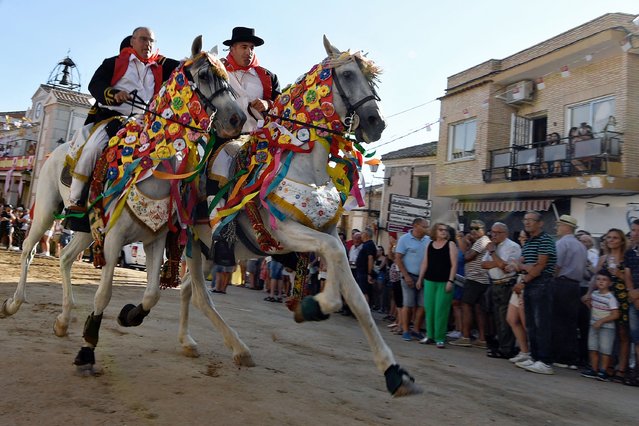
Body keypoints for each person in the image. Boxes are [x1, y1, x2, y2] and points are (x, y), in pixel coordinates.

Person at [67, 27, 180, 213]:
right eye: (143, 39)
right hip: (114, 119)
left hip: (146, 123)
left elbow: (185, 68)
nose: (148, 44)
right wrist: (113, 94)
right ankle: (75, 199)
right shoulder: (114, 63)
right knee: (94, 147)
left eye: (151, 41)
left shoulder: (160, 65)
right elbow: (95, 85)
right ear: (133, 41)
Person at [512, 211, 557, 375]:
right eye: (526, 220)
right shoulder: (529, 241)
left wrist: (523, 280)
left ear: (540, 223)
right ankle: (535, 356)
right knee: (531, 323)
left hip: (542, 283)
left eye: (531, 220)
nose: (527, 223)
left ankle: (544, 361)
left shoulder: (545, 240)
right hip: (531, 283)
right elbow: (522, 263)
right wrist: (525, 268)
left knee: (541, 324)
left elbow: (539, 266)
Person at [584, 228, 630, 383]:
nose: (611, 240)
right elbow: (595, 278)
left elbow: (631, 279)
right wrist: (589, 293)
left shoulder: (627, 258)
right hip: (603, 298)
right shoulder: (603, 258)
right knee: (605, 332)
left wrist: (617, 274)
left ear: (622, 240)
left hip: (622, 297)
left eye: (615, 238)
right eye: (609, 237)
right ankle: (605, 367)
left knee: (623, 334)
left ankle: (621, 369)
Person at [221, 26, 280, 133]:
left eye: (252, 48)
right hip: (225, 141)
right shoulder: (219, 74)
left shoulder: (269, 77)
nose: (249, 52)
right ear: (232, 49)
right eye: (244, 47)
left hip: (262, 141)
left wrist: (267, 104)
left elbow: (281, 105)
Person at [551, 215, 588, 369]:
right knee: (571, 323)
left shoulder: (562, 243)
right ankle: (571, 357)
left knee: (558, 321)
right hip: (576, 286)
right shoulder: (581, 246)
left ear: (566, 227)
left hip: (561, 284)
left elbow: (556, 267)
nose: (556, 227)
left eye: (559, 225)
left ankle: (561, 356)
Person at [481, 222, 521, 359]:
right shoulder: (492, 245)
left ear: (506, 233)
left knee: (505, 318)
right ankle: (501, 345)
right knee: (496, 318)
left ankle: (507, 348)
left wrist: (493, 254)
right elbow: (483, 264)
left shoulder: (513, 247)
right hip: (494, 284)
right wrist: (497, 262)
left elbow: (505, 267)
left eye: (497, 232)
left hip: (506, 284)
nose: (494, 235)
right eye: (492, 232)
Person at [450, 220, 491, 348]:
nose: (473, 231)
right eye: (471, 228)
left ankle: (465, 337)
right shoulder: (481, 241)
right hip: (480, 280)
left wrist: (462, 240)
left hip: (475, 279)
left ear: (483, 229)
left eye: (477, 228)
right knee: (478, 310)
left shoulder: (482, 241)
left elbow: (467, 257)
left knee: (466, 306)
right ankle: (482, 339)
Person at [417, 223, 457, 348]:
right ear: (435, 231)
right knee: (429, 308)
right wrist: (420, 279)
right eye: (440, 230)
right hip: (429, 280)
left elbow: (454, 264)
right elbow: (425, 262)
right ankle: (430, 335)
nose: (443, 232)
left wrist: (450, 281)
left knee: (441, 310)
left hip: (444, 281)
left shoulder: (451, 245)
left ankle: (440, 337)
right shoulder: (430, 244)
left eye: (445, 230)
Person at [394, 218, 430, 342]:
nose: (426, 229)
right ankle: (405, 330)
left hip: (423, 277)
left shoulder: (428, 240)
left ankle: (416, 329)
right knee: (408, 304)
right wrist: (406, 275)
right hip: (408, 275)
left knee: (423, 304)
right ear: (416, 226)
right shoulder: (404, 239)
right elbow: (398, 258)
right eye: (424, 226)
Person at [580, 270, 619, 381]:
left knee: (605, 350)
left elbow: (615, 314)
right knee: (593, 348)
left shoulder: (611, 298)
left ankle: (603, 371)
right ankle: (594, 369)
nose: (601, 282)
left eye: (604, 280)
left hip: (606, 327)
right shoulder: (594, 294)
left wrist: (601, 321)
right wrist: (588, 303)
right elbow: (593, 308)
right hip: (594, 324)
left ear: (610, 283)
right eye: (598, 279)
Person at [624, 219, 639, 386]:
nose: (634, 233)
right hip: (633, 298)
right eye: (633, 230)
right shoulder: (630, 252)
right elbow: (627, 274)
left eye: (637, 230)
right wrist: (631, 293)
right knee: (636, 338)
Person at [355, 228, 377, 306]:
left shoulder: (369, 245)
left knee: (364, 292)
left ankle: (365, 312)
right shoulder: (366, 245)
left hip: (364, 273)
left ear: (366, 235)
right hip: (361, 272)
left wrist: (369, 273)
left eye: (362, 233)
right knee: (362, 292)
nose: (361, 235)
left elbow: (370, 258)